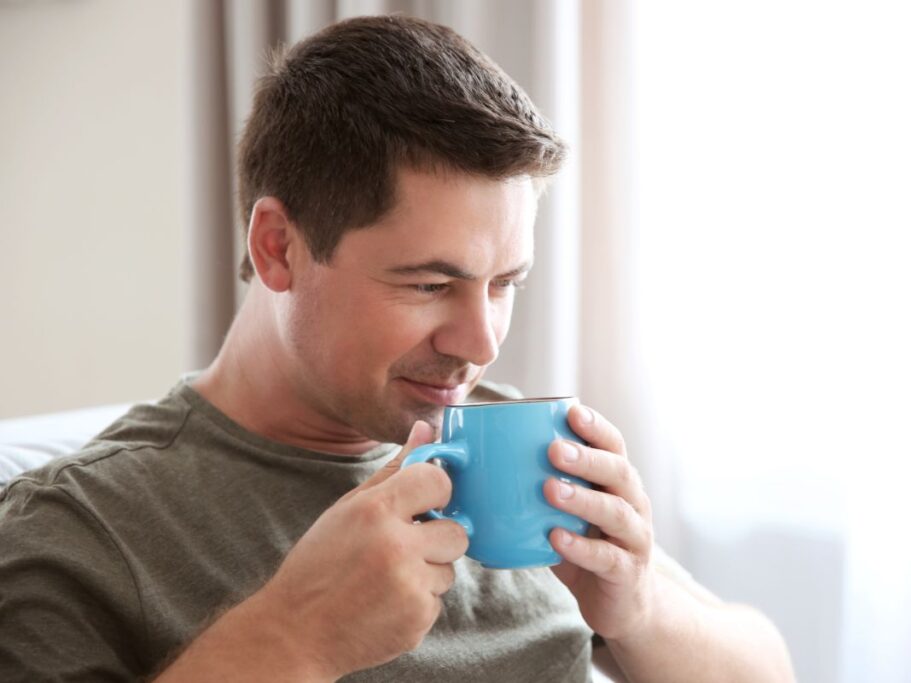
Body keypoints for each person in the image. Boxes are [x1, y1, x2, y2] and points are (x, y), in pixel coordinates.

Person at [0, 15, 794, 682]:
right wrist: (292, 635)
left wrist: (641, 605)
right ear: (279, 247)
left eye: (504, 282)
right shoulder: (78, 528)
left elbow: (768, 666)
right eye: (427, 285)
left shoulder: (521, 448)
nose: (480, 341)